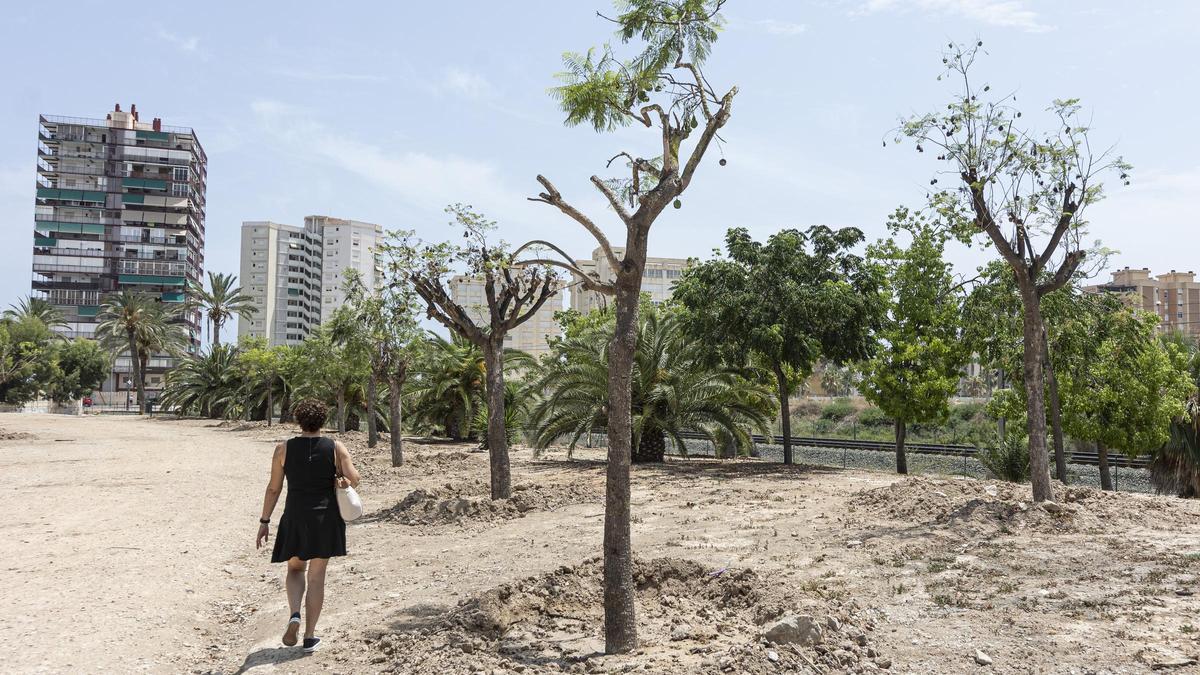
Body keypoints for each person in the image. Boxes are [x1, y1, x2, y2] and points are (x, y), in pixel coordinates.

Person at [256, 399, 361, 653]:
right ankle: (310, 636)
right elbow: (354, 479)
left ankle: (294, 614)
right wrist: (341, 480)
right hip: (325, 518)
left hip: (295, 515)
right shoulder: (335, 447)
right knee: (316, 577)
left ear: (298, 421)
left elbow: (274, 488)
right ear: (323, 421)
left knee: (295, 569)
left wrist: (264, 521)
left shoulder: (283, 449)